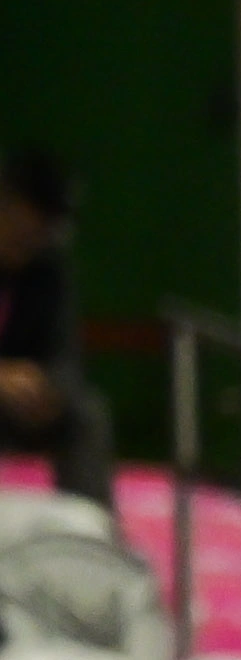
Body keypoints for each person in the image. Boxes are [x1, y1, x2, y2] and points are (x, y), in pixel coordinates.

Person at [0, 149, 110, 501]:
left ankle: (91, 538)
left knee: (87, 414)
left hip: (16, 409)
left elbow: (65, 356)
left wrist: (50, 391)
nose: (37, 236)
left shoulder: (50, 272)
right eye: (32, 221)